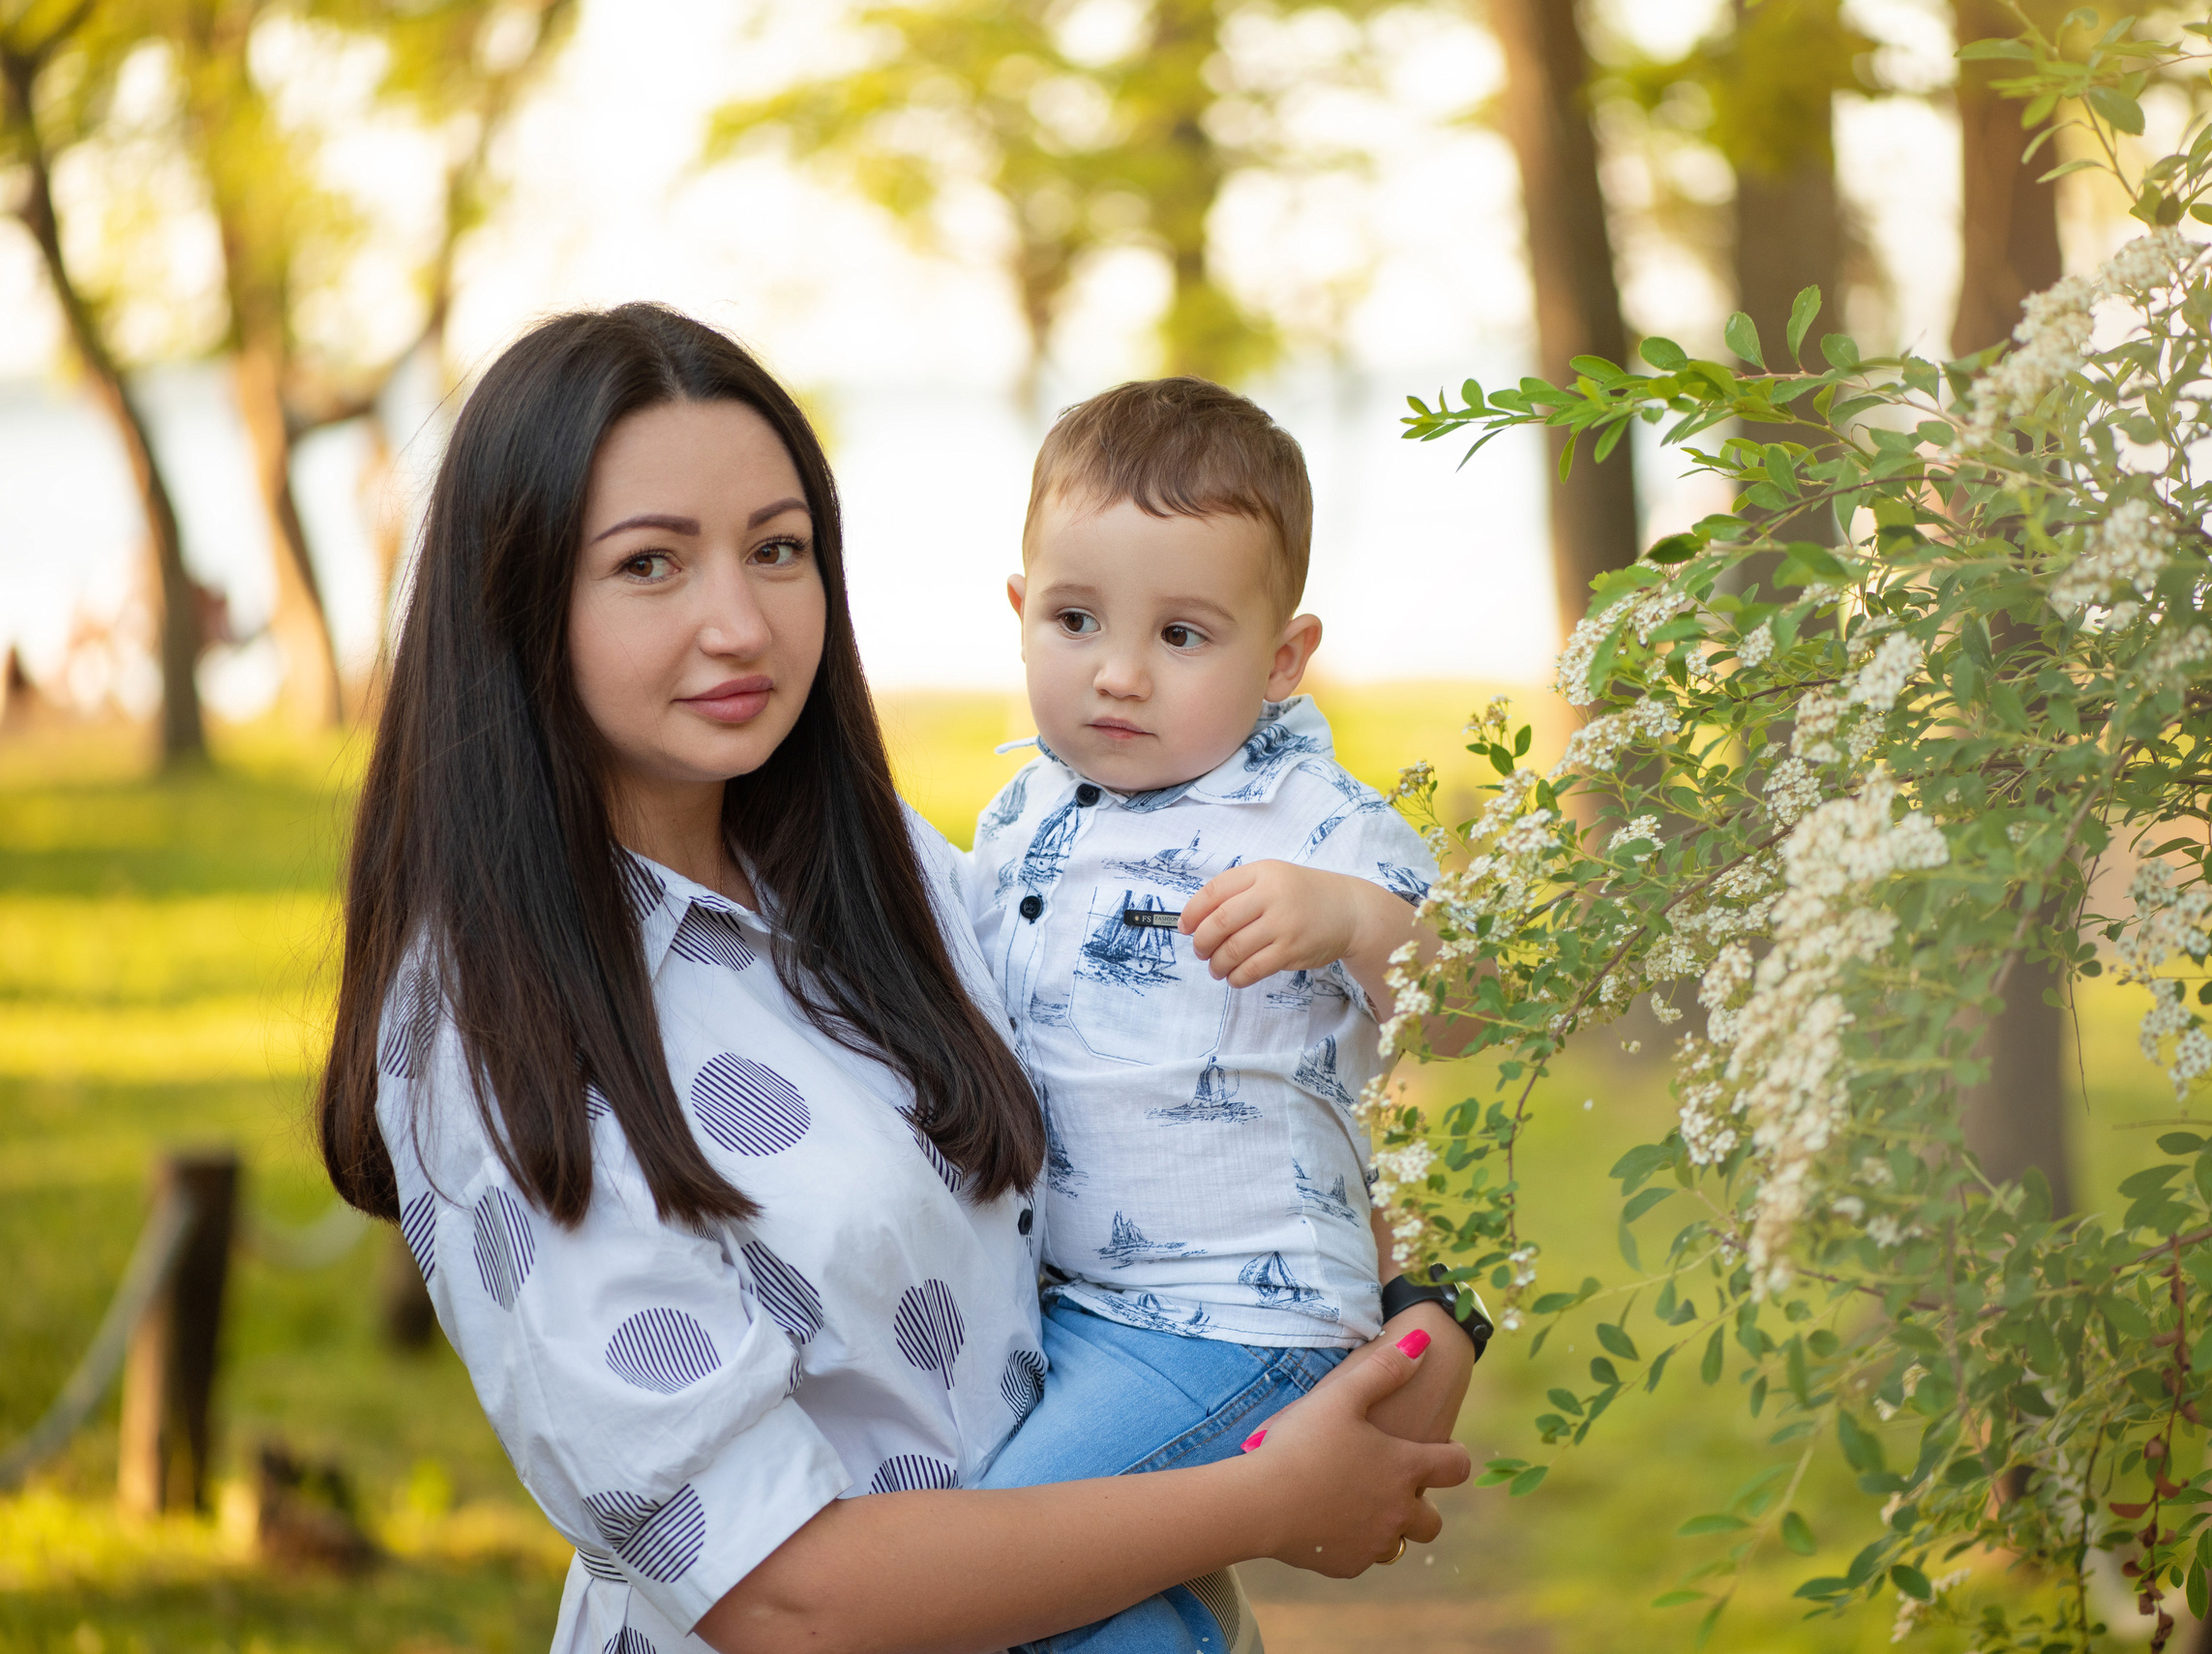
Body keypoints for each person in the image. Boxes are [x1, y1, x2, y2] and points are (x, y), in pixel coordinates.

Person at [315, 305, 1469, 1654]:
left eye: (778, 549)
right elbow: (784, 1595)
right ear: (517, 597)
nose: (739, 621)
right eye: (650, 565)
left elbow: (1201, 1077)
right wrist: (1257, 1497)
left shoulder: (878, 870)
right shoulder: (491, 1022)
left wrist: (1425, 1308)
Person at [964, 379, 1484, 1651]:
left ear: (1284, 656)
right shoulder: (1020, 815)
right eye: (1078, 620)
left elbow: (1474, 1009)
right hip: (1081, 1305)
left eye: (1185, 635)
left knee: (1009, 1559)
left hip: (1241, 1313)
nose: (1122, 673)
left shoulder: (1314, 819)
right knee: (1102, 1586)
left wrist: (1360, 923)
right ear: (1023, 612)